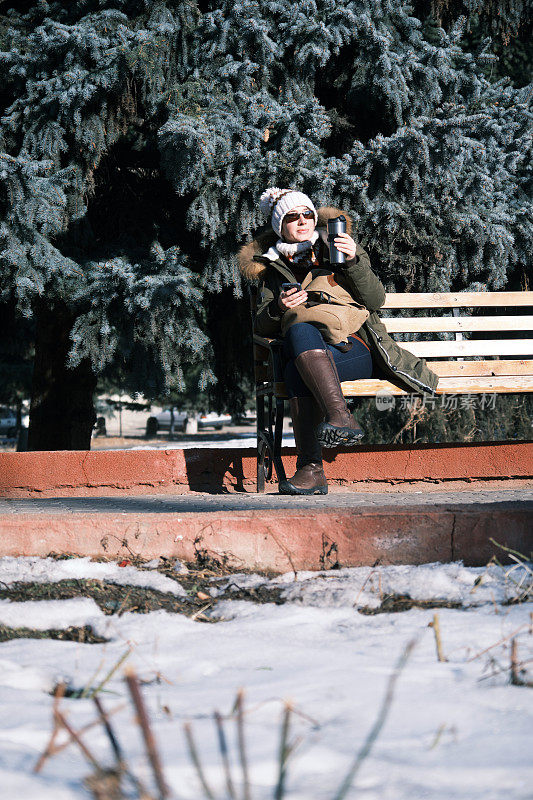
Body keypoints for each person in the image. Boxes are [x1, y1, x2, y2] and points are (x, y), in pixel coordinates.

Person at [239, 187, 439, 495]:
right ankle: (339, 420)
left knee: (296, 363)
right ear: (281, 226)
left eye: (307, 214)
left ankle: (311, 467)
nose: (302, 221)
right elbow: (260, 324)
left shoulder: (337, 248)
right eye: (292, 217)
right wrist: (279, 307)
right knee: (297, 339)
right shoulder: (273, 268)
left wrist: (353, 261)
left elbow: (375, 299)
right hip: (310, 352)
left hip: (356, 347)